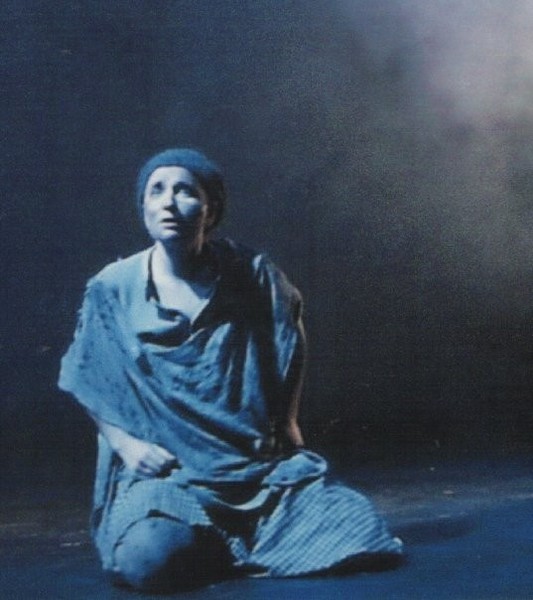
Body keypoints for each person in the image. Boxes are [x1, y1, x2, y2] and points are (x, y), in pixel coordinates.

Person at [59, 148, 402, 593]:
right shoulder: (113, 287)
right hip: (168, 475)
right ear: (142, 205)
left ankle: (227, 541)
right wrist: (127, 446)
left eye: (186, 191)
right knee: (147, 558)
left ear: (211, 208)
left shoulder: (251, 273)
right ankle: (211, 540)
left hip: (250, 467)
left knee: (361, 532)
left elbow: (290, 327)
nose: (169, 202)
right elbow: (87, 375)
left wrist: (287, 419)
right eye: (157, 190)